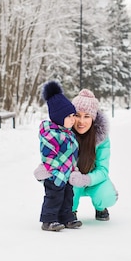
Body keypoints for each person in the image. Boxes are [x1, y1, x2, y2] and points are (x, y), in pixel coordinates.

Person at [36, 80, 82, 232]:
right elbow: (47, 153)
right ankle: (48, 220)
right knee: (54, 196)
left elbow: (72, 154)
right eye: (69, 116)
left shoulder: (67, 133)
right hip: (54, 173)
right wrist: (54, 169)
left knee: (68, 195)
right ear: (58, 117)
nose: (73, 119)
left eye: (73, 115)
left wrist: (73, 169)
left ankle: (66, 217)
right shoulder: (51, 134)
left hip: (67, 171)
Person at [68, 89, 118, 221]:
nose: (81, 121)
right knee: (67, 191)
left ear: (93, 118)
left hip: (93, 180)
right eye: (77, 115)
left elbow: (103, 170)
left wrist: (86, 179)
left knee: (106, 196)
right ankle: (69, 210)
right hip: (71, 181)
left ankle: (100, 207)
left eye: (87, 116)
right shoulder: (64, 135)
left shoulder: (101, 139)